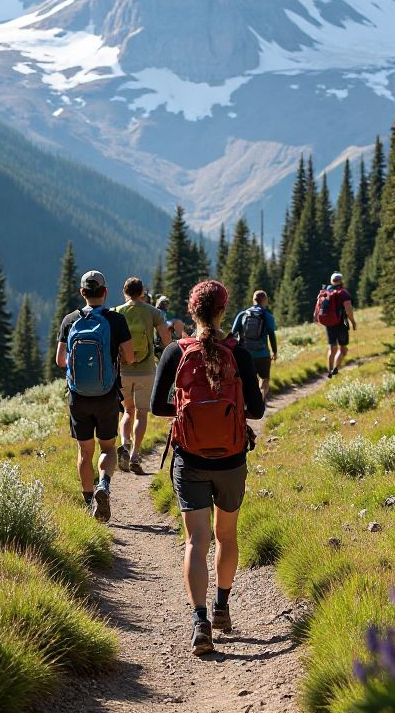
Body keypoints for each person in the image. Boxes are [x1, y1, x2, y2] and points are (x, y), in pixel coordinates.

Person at [151, 280, 265, 656]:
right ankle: (222, 608)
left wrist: (186, 411)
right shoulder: (238, 352)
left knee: (195, 541)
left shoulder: (176, 351)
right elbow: (257, 410)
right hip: (231, 459)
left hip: (190, 459)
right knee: (226, 536)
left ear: (192, 310)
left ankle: (200, 623)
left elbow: (157, 406)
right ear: (222, 311)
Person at [56, 270, 135, 522]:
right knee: (108, 447)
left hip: (78, 396)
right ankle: (104, 485)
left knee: (84, 451)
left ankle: (89, 501)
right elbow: (130, 356)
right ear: (105, 292)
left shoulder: (70, 320)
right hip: (107, 394)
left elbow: (60, 360)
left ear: (82, 293)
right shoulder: (116, 320)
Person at [115, 277, 172, 474]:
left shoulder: (117, 311)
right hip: (146, 370)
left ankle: (125, 444)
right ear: (142, 292)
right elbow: (166, 339)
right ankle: (135, 455)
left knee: (127, 411)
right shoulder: (153, 312)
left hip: (123, 370)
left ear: (125, 292)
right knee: (141, 413)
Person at [231, 290, 278, 401]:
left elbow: (232, 333)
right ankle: (261, 400)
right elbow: (271, 335)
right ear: (265, 301)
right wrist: (274, 352)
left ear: (253, 300)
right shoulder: (267, 316)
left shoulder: (243, 314)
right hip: (263, 354)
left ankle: (246, 403)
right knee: (265, 379)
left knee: (246, 380)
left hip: (245, 355)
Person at [321, 271, 357, 377]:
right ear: (341, 281)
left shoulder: (326, 292)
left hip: (329, 323)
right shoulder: (343, 292)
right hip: (342, 323)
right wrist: (353, 322)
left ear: (332, 281)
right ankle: (335, 370)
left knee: (332, 348)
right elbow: (348, 309)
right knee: (343, 349)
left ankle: (330, 373)